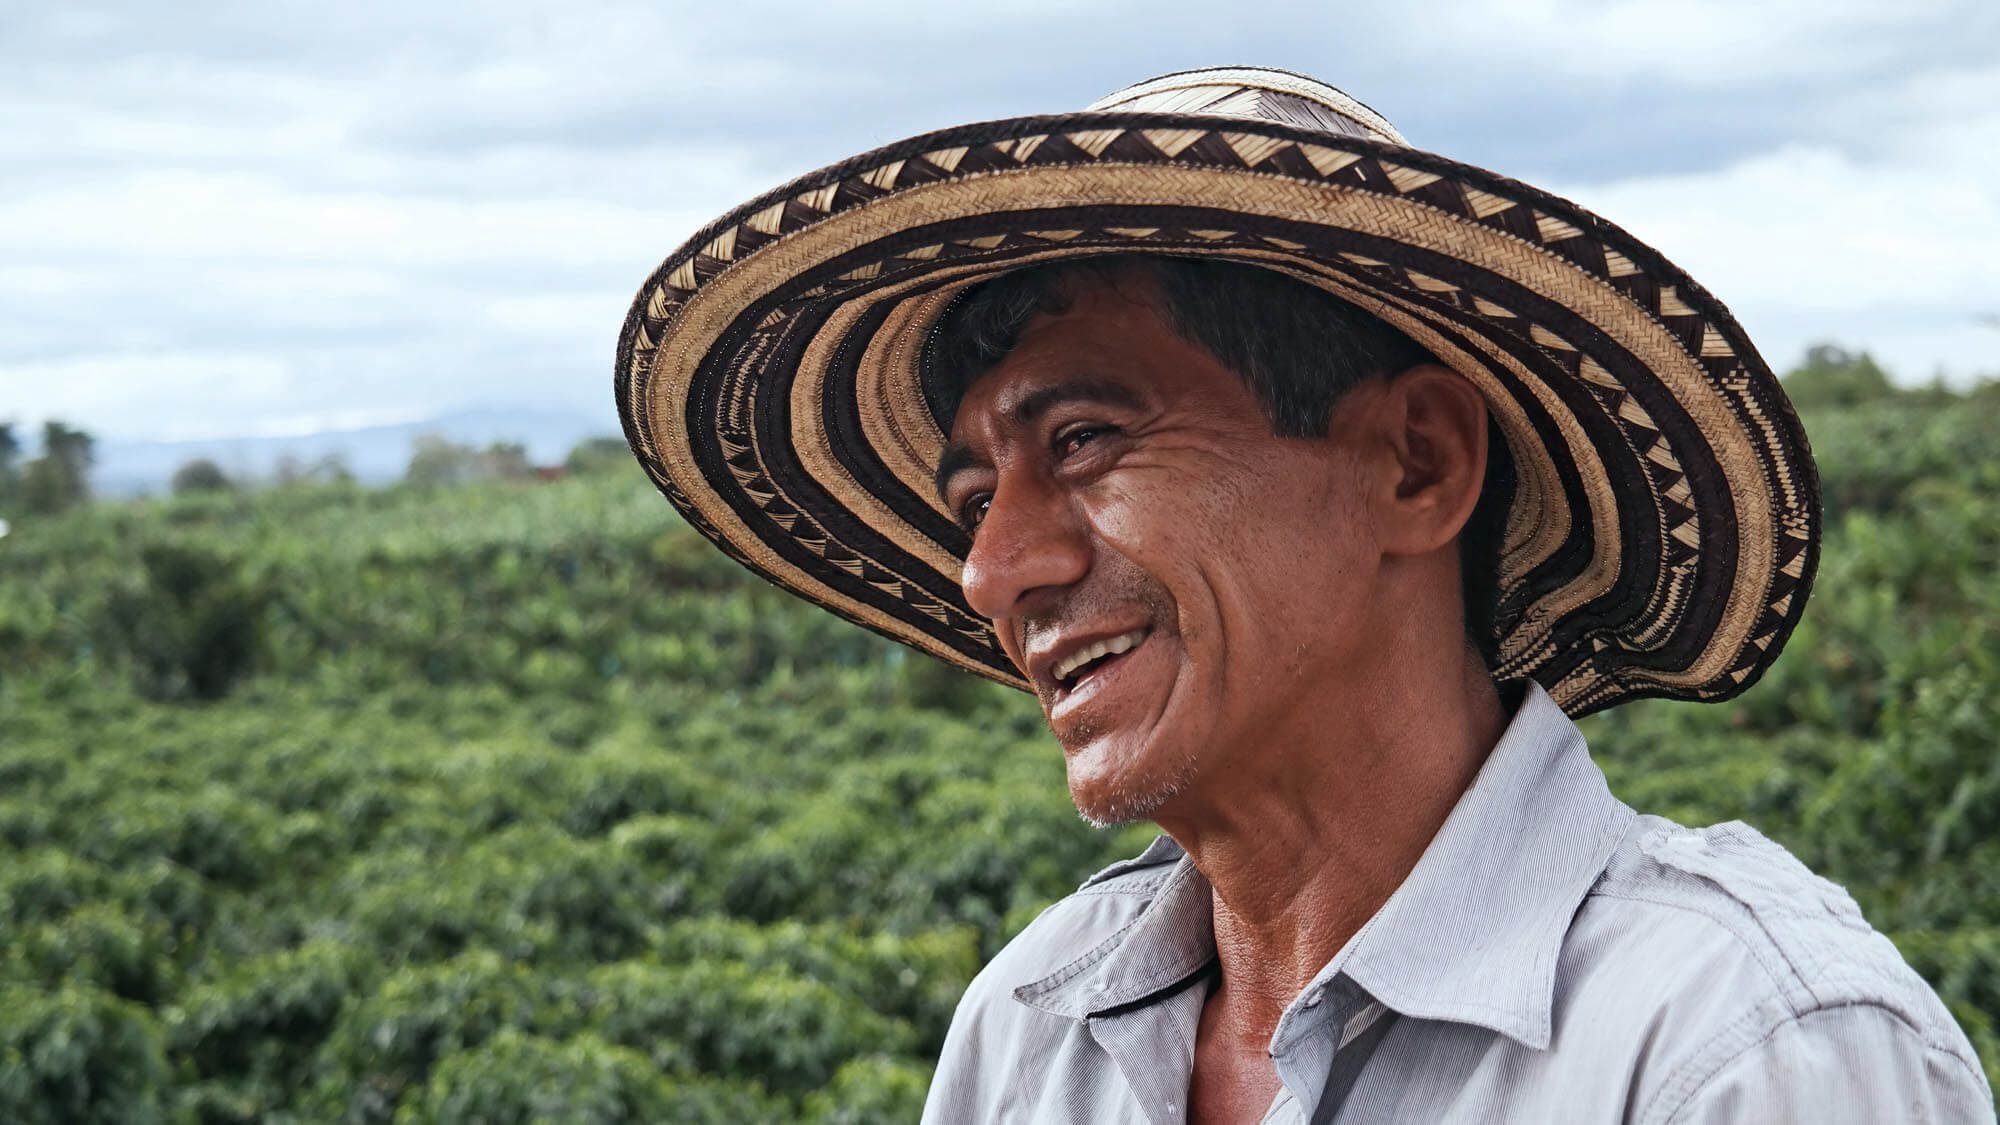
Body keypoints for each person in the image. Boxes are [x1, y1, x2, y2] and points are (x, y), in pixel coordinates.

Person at [613, 67, 1993, 1122]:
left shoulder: (1740, 1050)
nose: (994, 569)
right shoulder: (1031, 1038)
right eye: (976, 497)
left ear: (1414, 462)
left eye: (1086, 439)